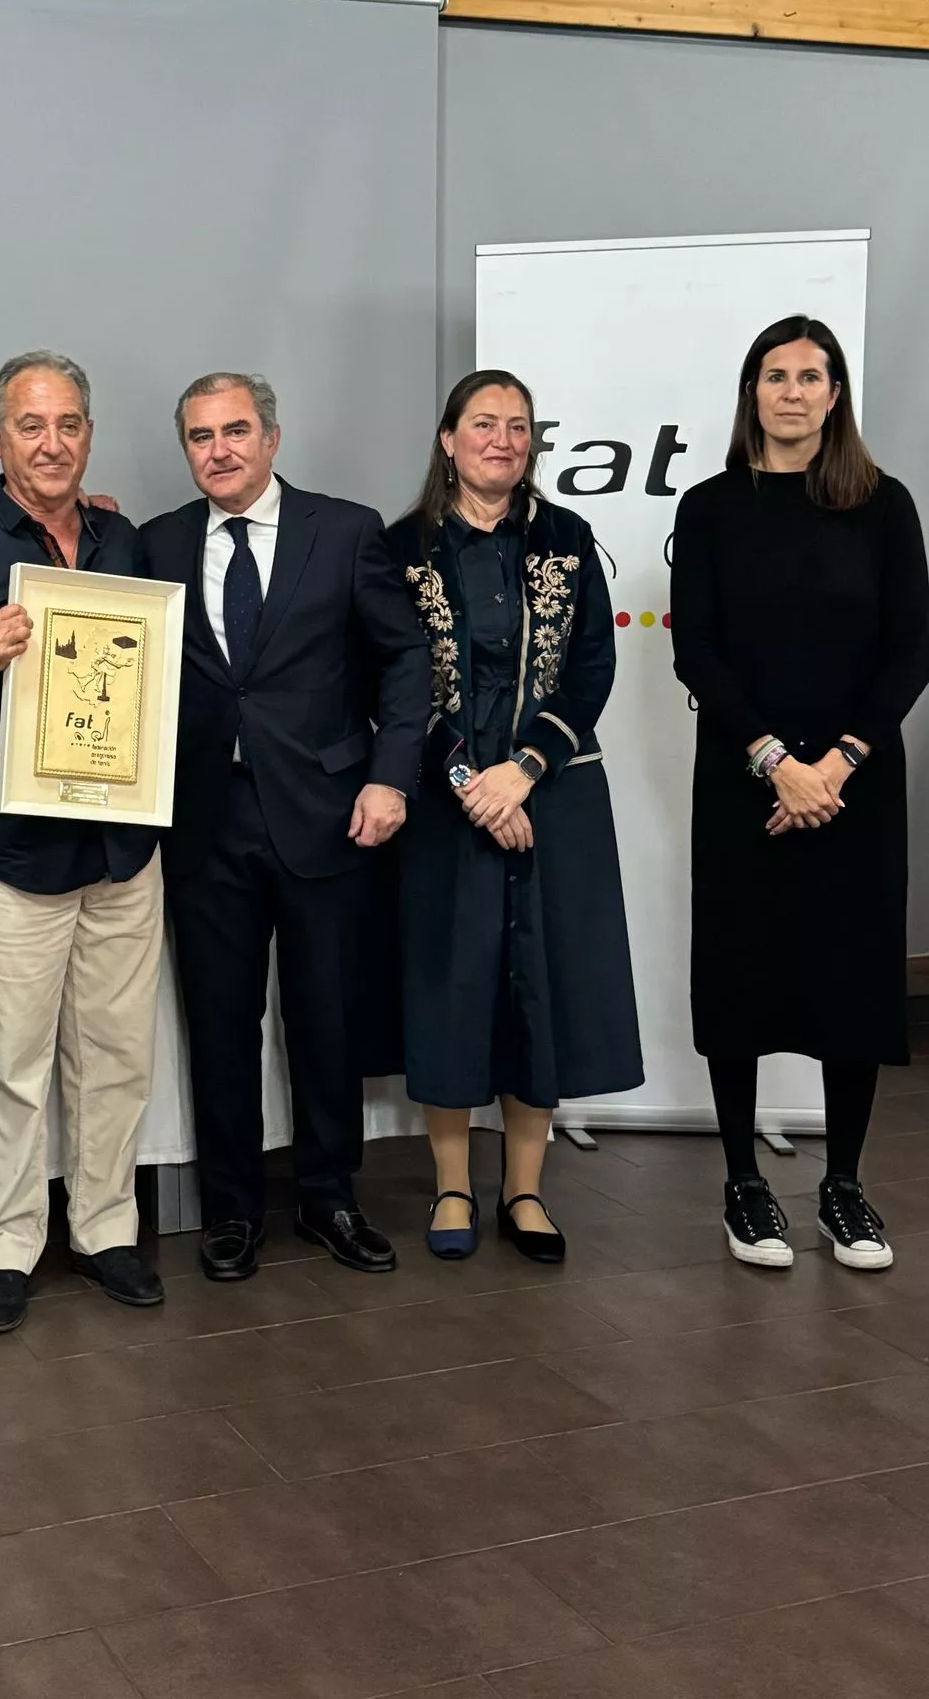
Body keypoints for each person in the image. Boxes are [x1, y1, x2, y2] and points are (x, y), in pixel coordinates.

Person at [0, 352, 165, 1335]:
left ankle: (105, 1229)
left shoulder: (125, 541)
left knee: (116, 1057)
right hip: (12, 856)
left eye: (69, 423)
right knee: (11, 1065)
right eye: (31, 424)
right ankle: (7, 1244)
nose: (52, 443)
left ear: (89, 433)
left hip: (122, 851)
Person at [139, 373, 427, 1284]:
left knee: (326, 1022)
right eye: (200, 437)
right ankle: (231, 1210)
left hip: (330, 816)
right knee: (220, 1025)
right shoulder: (155, 544)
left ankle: (330, 1197)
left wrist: (391, 778)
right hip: (205, 824)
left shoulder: (344, 531)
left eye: (235, 431)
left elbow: (405, 658)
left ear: (271, 438)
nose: (218, 451)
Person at [671, 316, 929, 1273]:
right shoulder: (710, 507)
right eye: (775, 376)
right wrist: (778, 762)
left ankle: (843, 1185)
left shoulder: (884, 504)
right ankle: (744, 1183)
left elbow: (912, 646)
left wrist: (837, 764)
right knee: (740, 973)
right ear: (753, 391)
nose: (792, 392)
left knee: (853, 977)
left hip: (856, 783)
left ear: (835, 394)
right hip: (746, 781)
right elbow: (697, 649)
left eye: (810, 376)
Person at [387, 371, 642, 1264]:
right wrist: (472, 783)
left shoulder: (567, 538)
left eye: (518, 426)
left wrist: (524, 770)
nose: (502, 440)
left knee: (543, 984)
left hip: (554, 792)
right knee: (451, 987)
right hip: (447, 799)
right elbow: (396, 680)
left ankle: (525, 1190)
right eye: (483, 424)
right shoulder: (402, 549)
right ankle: (454, 1185)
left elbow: (593, 668)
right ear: (448, 439)